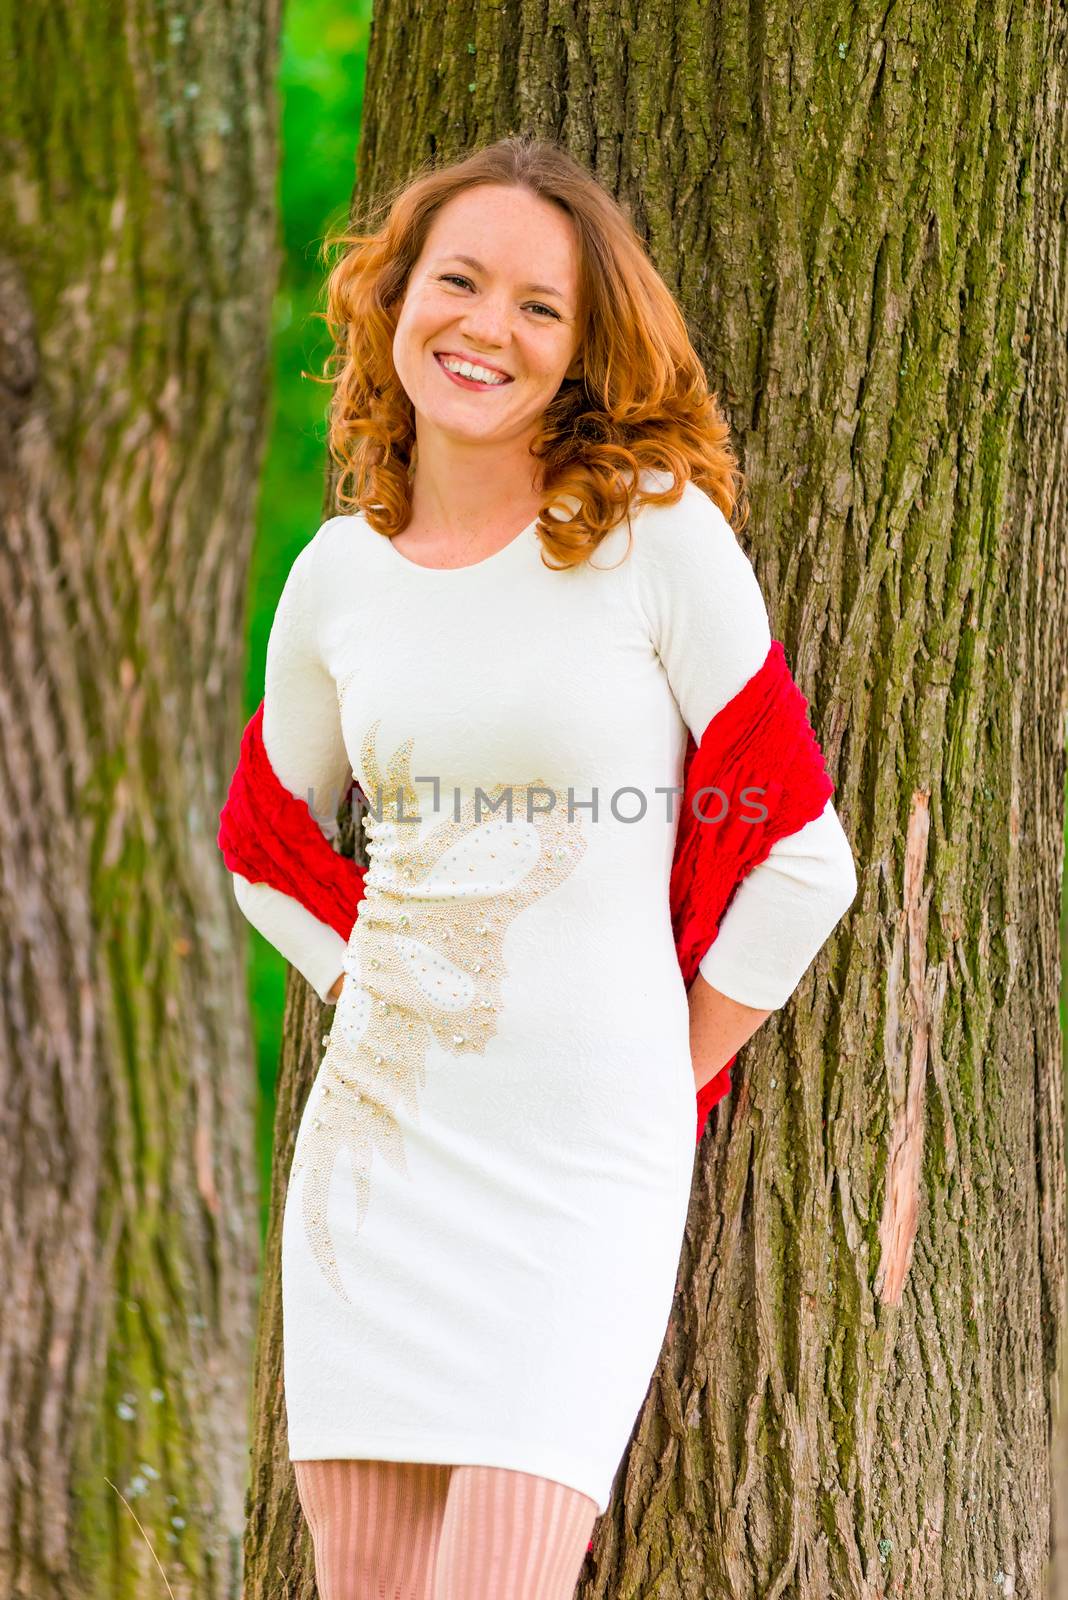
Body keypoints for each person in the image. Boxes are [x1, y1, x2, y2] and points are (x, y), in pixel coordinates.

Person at [228, 133, 858, 1600]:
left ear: (581, 349)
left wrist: (663, 1068)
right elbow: (265, 849)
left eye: (536, 306)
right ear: (393, 301)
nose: (485, 327)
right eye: (456, 281)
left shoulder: (651, 536)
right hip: (374, 1169)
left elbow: (805, 862)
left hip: (583, 1175)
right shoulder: (338, 578)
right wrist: (374, 986)